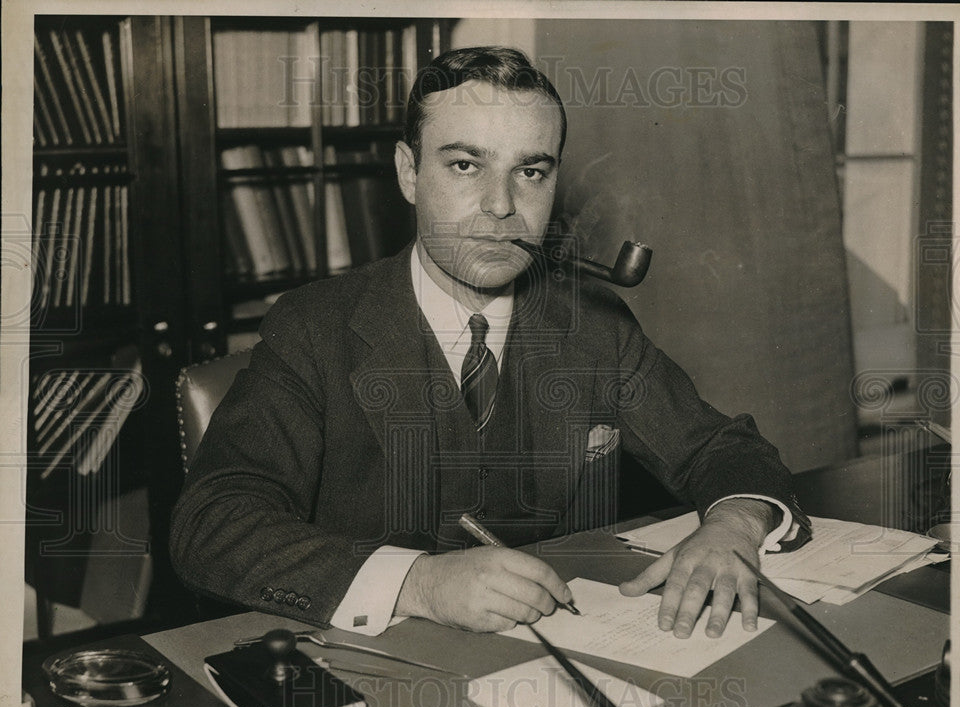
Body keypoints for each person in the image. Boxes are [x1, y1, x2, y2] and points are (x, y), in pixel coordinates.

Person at [170, 46, 809, 641]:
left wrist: (733, 526)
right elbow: (213, 525)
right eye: (465, 165)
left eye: (530, 171)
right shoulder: (315, 325)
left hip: (556, 657)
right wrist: (416, 582)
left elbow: (719, 447)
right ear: (408, 172)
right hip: (373, 670)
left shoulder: (590, 323)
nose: (501, 206)